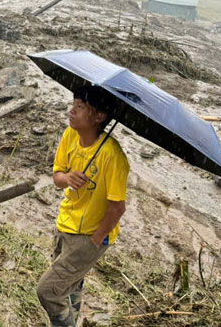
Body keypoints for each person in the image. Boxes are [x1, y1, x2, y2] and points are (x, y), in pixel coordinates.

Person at [37, 85, 130, 327]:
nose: (71, 111)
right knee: (70, 282)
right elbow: (57, 176)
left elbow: (117, 208)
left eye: (80, 107)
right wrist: (68, 179)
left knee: (47, 290)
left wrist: (95, 240)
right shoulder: (70, 136)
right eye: (74, 104)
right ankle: (74, 317)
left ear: (99, 117)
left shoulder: (112, 156)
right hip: (65, 223)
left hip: (89, 235)